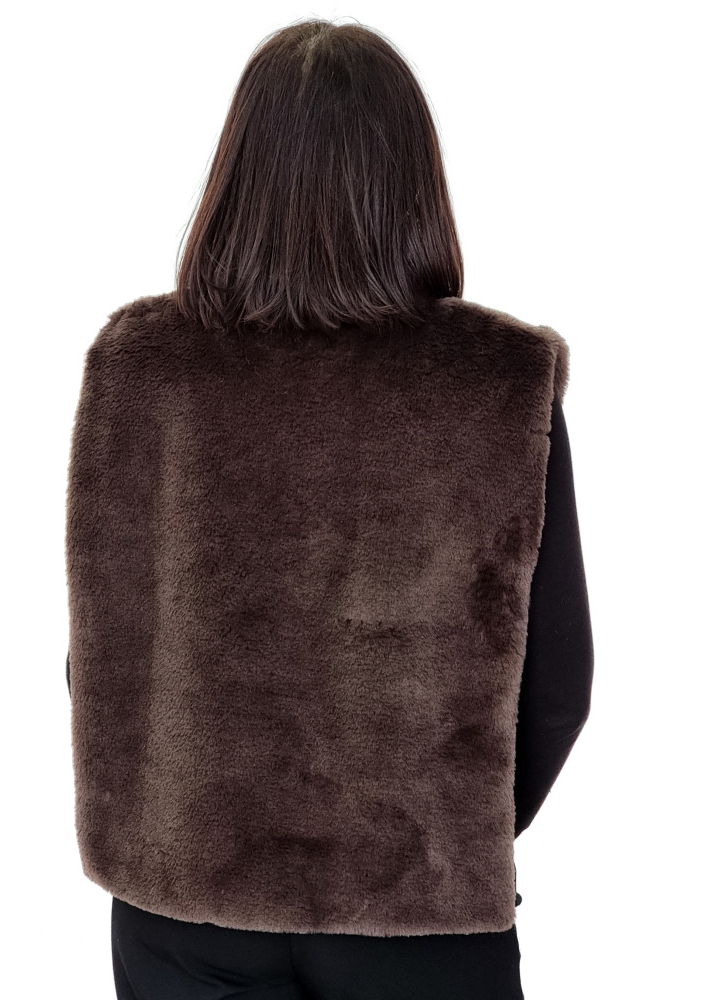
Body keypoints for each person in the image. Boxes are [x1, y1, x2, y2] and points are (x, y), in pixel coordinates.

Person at [64, 17, 593, 1000]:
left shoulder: (138, 368)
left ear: (238, 171)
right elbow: (559, 685)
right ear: (414, 182)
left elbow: (101, 651)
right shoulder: (500, 381)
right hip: (416, 917)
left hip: (181, 911)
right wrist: (445, 833)